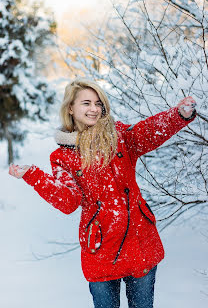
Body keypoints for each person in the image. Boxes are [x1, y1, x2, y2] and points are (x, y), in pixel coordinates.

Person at [9, 79, 197, 308]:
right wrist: (34, 176)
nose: (94, 109)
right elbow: (69, 201)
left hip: (139, 240)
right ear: (70, 108)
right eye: (86, 103)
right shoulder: (63, 156)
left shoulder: (119, 137)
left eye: (98, 103)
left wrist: (178, 115)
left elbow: (147, 132)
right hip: (100, 247)